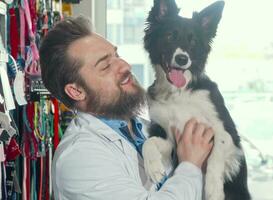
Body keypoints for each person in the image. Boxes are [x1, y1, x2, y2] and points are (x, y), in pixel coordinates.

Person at [39, 16, 214, 200]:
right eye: (106, 65)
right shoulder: (79, 157)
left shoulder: (143, 128)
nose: (125, 66)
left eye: (117, 55)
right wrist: (190, 165)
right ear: (76, 91)